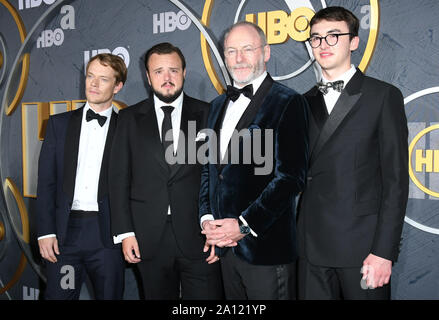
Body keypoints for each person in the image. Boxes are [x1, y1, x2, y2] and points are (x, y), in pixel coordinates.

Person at [297, 6, 409, 300]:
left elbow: (396, 182)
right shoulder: (301, 102)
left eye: (333, 36)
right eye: (316, 38)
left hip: (362, 250)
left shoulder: (383, 96)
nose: (323, 45)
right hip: (310, 250)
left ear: (354, 42)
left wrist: (383, 252)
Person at [199, 21, 309, 300]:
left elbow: (290, 178)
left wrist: (244, 224)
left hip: (266, 249)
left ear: (266, 52)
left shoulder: (288, 102)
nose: (239, 58)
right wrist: (208, 220)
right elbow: (209, 172)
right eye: (232, 51)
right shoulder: (215, 106)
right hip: (225, 250)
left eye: (248, 49)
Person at [109, 42, 223, 300]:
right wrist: (125, 233)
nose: (167, 78)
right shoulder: (128, 118)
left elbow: (219, 177)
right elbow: (118, 179)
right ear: (148, 77)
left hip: (200, 235)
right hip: (148, 237)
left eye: (173, 70)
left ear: (184, 72)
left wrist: (217, 230)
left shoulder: (208, 113)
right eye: (158, 71)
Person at [36, 53, 127, 299]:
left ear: (117, 86)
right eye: (90, 76)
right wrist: (45, 232)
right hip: (65, 235)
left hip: (108, 235)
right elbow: (46, 183)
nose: (93, 84)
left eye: (103, 79)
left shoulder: (128, 130)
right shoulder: (59, 125)